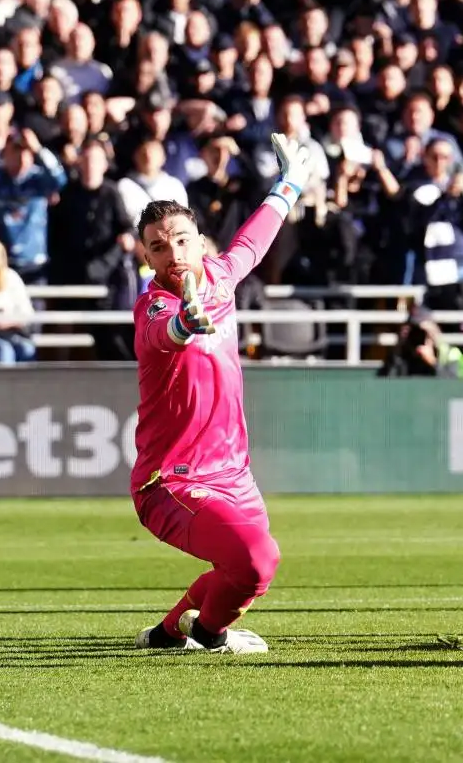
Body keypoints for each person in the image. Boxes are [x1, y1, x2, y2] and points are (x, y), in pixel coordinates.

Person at [131, 134, 314, 655]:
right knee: (258, 559)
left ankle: (168, 635)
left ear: (199, 239)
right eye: (158, 246)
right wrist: (186, 323)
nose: (173, 253)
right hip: (170, 483)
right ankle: (210, 635)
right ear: (145, 256)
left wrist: (290, 185)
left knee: (248, 572)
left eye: (182, 240)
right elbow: (162, 334)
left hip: (234, 473)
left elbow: (254, 242)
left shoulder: (220, 278)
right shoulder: (153, 308)